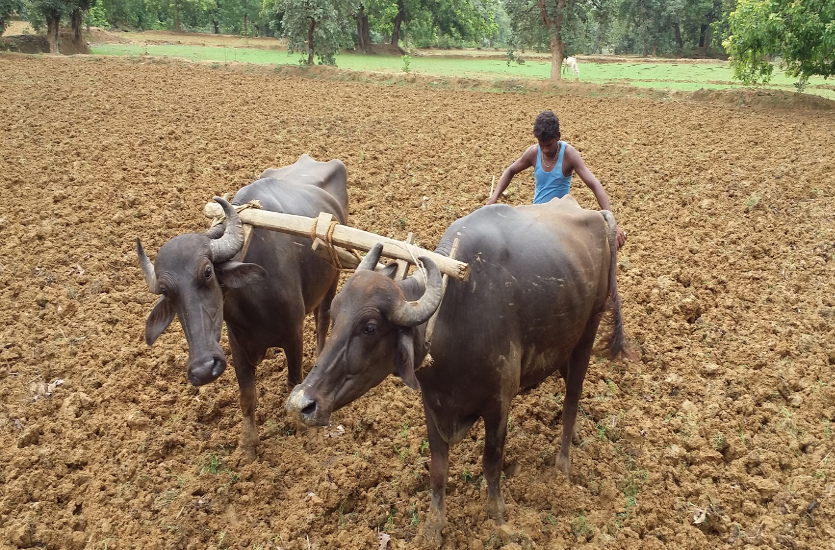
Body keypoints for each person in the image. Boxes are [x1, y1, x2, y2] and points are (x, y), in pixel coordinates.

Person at [486, 110, 627, 249]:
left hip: (560, 215)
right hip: (537, 213)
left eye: (549, 145)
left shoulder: (569, 155)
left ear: (558, 136)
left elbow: (594, 185)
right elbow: (510, 171)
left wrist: (612, 223)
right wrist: (494, 198)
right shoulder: (533, 153)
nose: (545, 150)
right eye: (541, 145)